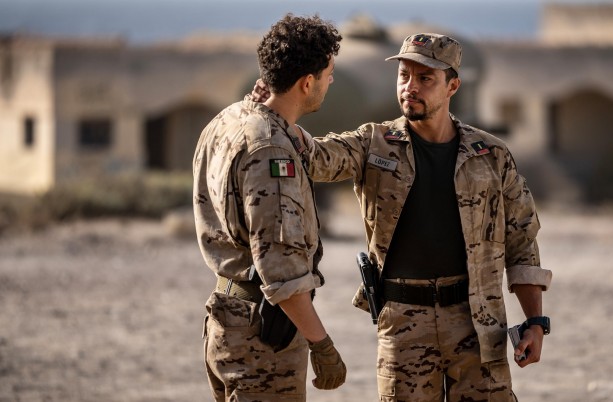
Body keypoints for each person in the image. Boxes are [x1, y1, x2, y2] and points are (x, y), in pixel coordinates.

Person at [254, 32, 552, 401]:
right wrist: (272, 110)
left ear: (452, 86)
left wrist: (535, 322)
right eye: (404, 76)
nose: (411, 87)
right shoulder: (373, 143)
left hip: (478, 323)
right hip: (403, 325)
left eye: (425, 78)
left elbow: (522, 241)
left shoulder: (491, 154)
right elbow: (314, 158)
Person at [192, 15, 347, 402]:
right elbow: (278, 266)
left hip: (226, 317)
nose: (331, 82)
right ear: (307, 83)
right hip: (261, 340)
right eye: (328, 74)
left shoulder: (227, 119)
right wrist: (322, 344)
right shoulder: (271, 150)